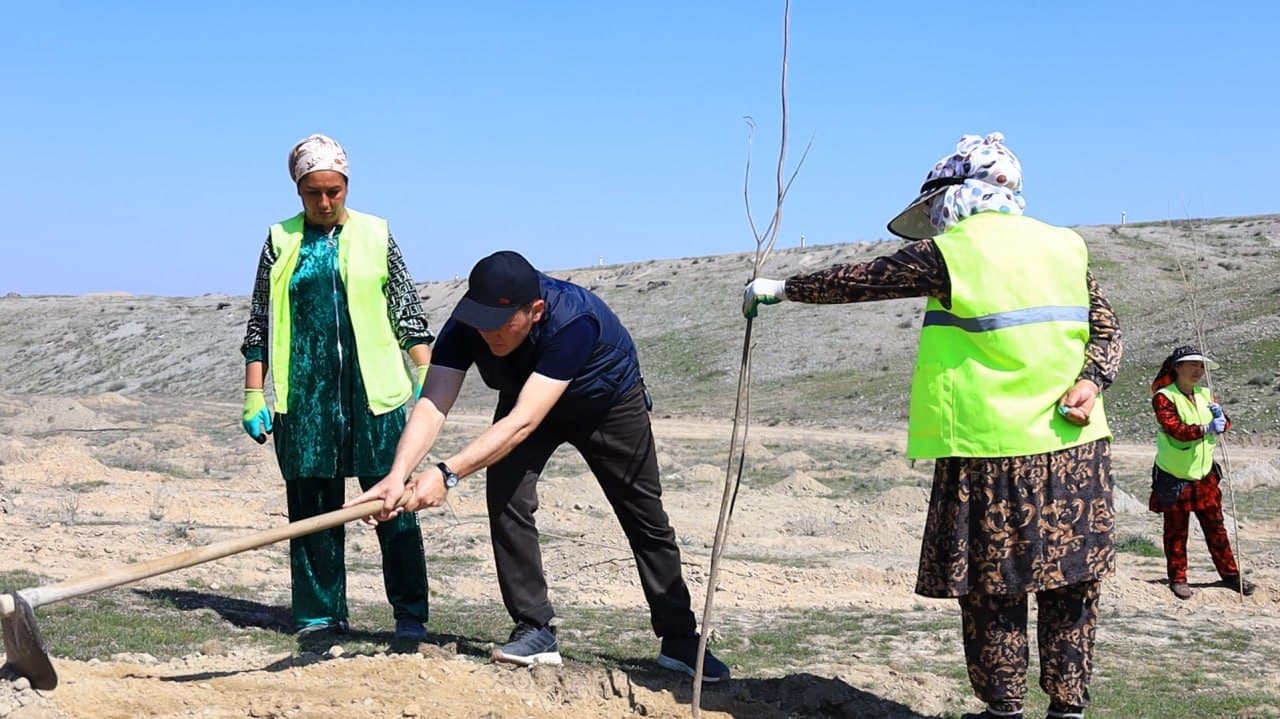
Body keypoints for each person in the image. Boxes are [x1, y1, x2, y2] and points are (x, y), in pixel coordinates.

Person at [743, 133, 1120, 719]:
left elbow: (860, 279)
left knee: (993, 590)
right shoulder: (1065, 246)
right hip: (1076, 451)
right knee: (1071, 586)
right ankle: (1067, 710)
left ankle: (1003, 711)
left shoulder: (957, 250)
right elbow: (1108, 331)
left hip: (991, 449)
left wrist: (781, 289)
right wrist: (1092, 380)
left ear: (955, 196)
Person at [349, 250, 730, 681]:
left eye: (498, 323)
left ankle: (680, 638)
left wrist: (448, 473)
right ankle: (535, 628)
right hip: (525, 397)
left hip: (606, 401)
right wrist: (398, 476)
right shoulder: (466, 325)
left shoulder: (573, 322)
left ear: (535, 311)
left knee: (644, 517)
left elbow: (524, 421)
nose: (485, 332)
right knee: (506, 500)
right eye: (479, 320)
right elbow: (434, 402)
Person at [240, 133, 433, 641]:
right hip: (306, 398)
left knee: (394, 506)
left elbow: (407, 311)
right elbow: (258, 322)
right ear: (298, 190)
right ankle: (320, 615)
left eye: (334, 191)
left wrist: (426, 375)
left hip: (378, 396)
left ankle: (409, 614)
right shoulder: (280, 240)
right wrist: (253, 393)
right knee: (313, 511)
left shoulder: (377, 234)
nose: (325, 202)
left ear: (347, 185)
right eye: (313, 193)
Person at [1147, 345, 1256, 600]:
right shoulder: (1164, 397)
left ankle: (1230, 574)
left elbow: (1224, 423)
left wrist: (1221, 420)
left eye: (1200, 365)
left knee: (1216, 527)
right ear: (1177, 368)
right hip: (1175, 474)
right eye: (1192, 364)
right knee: (1176, 530)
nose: (1198, 370)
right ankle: (1178, 578)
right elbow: (1175, 429)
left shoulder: (1206, 394)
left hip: (1204, 474)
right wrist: (1207, 427)